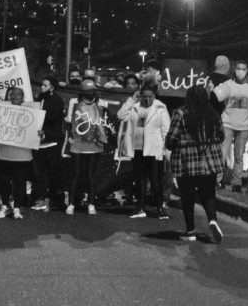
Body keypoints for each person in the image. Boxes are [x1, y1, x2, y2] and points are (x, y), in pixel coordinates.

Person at [165, 86, 224, 242]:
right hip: (209, 161)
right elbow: (221, 136)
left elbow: (172, 139)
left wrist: (173, 144)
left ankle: (190, 231)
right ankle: (213, 220)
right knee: (209, 195)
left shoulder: (180, 113)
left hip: (187, 162)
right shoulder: (213, 114)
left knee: (187, 196)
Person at [117, 83, 170, 219]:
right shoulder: (135, 107)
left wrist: (165, 150)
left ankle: (160, 208)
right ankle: (139, 208)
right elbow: (121, 115)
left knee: (155, 180)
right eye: (144, 96)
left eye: (150, 97)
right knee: (140, 179)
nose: (147, 99)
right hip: (137, 148)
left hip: (153, 149)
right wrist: (132, 99)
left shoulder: (160, 108)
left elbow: (165, 131)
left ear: (154, 96)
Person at [65, 79, 107, 215]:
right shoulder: (74, 103)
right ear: (82, 91)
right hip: (78, 142)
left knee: (91, 175)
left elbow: (104, 123)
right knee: (75, 174)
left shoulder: (101, 104)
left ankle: (91, 203)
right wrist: (69, 137)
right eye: (88, 91)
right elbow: (68, 121)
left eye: (92, 90)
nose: (90, 93)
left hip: (95, 143)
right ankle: (71, 203)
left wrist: (103, 139)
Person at [213, 60, 248, 192]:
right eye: (239, 68)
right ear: (234, 70)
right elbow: (215, 96)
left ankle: (236, 183)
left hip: (244, 126)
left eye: (244, 69)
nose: (241, 71)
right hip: (227, 124)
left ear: (247, 71)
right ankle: (217, 181)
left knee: (239, 156)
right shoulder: (227, 85)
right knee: (222, 154)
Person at [0, 87, 33, 220]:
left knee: (20, 183)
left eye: (18, 94)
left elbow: (36, 130)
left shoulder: (31, 111)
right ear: (9, 97)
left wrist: (40, 134)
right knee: (4, 181)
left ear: (23, 97)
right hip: (5, 154)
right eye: (13, 94)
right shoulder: (1, 110)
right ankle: (4, 206)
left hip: (22, 156)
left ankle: (17, 207)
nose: (15, 96)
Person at [31, 76, 66, 212]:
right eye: (42, 85)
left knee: (53, 173)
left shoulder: (57, 101)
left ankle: (55, 200)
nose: (42, 87)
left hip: (52, 142)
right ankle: (40, 199)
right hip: (39, 142)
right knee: (39, 173)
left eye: (45, 85)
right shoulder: (39, 99)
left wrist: (39, 113)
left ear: (52, 87)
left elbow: (53, 118)